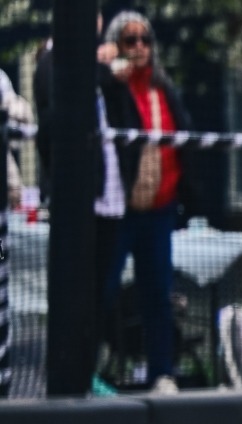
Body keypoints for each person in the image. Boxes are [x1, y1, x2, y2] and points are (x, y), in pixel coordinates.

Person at [31, 14, 139, 393]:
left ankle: (89, 373)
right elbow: (58, 115)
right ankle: (65, 377)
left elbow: (125, 112)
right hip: (76, 200)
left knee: (99, 295)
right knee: (72, 294)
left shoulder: (100, 68)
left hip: (109, 197)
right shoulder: (52, 63)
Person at [92, 11, 195, 394]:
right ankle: (91, 369)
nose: (138, 48)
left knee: (158, 293)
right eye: (129, 40)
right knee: (101, 291)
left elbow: (183, 135)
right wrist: (105, 66)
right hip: (120, 211)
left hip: (159, 209)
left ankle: (161, 371)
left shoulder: (161, 87)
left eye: (144, 40)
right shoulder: (111, 85)